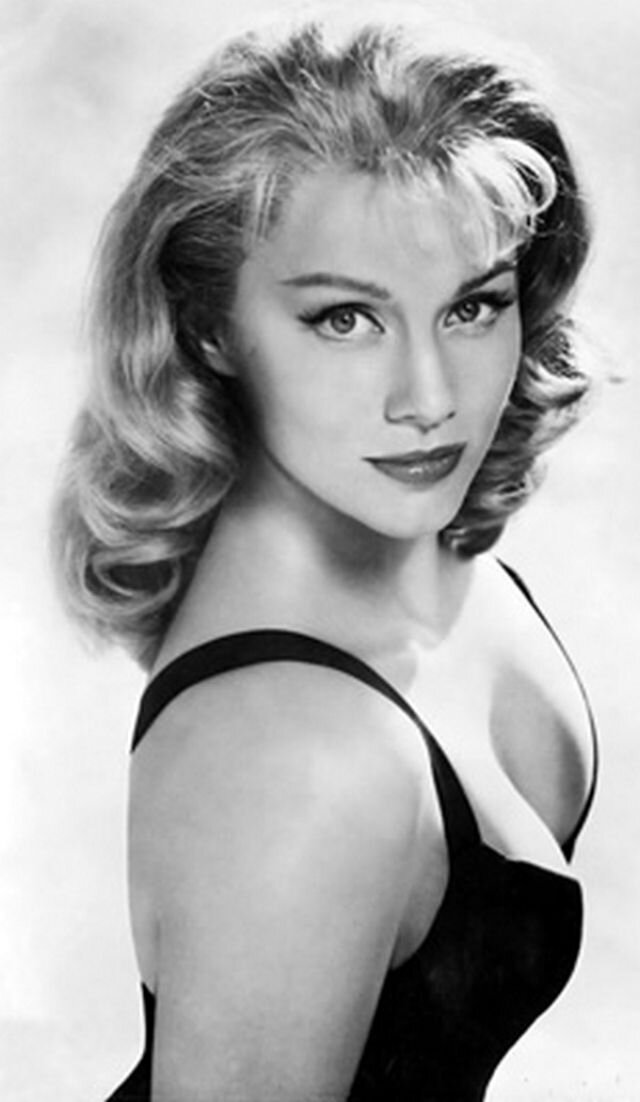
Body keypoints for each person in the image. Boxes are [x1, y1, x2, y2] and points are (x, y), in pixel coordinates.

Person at [52, 13, 599, 1102]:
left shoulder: (445, 569)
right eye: (345, 319)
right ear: (208, 327)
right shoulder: (297, 762)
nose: (429, 399)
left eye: (472, 306)